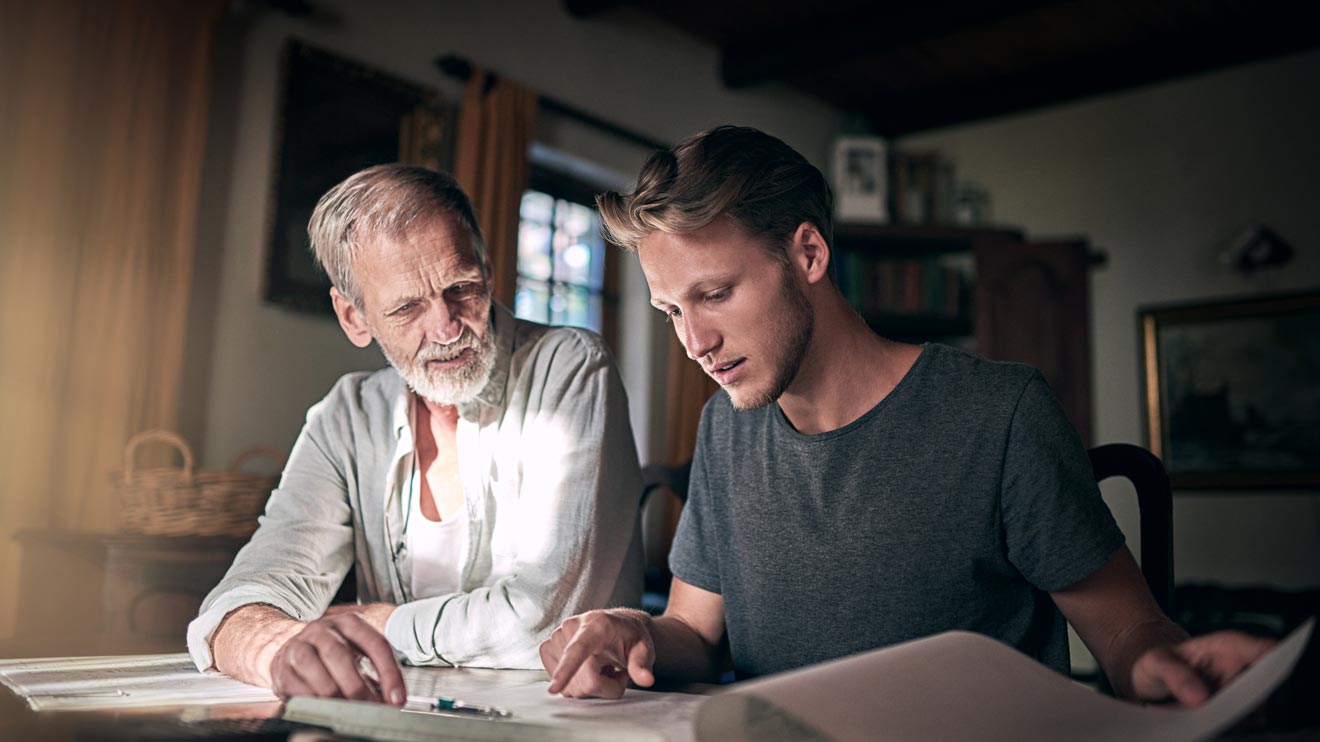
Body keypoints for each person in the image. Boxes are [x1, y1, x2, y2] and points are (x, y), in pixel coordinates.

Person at [539, 125, 1273, 705]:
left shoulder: (1000, 413)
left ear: (809, 252)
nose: (694, 343)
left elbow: (1126, 631)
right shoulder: (725, 428)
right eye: (671, 310)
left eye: (716, 293)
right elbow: (694, 634)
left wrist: (1161, 661)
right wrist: (628, 632)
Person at [188, 164, 644, 706]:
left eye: (462, 288)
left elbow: (545, 622)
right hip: (403, 720)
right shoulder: (346, 416)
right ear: (354, 317)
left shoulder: (570, 367)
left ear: (489, 271)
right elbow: (238, 603)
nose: (448, 327)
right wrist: (273, 646)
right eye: (407, 307)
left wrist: (380, 626)